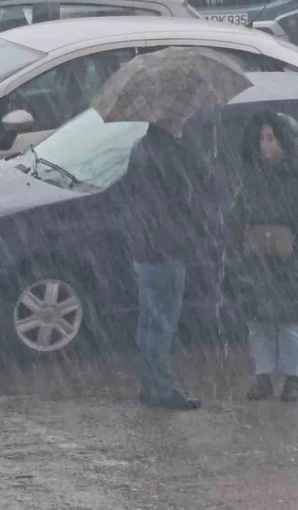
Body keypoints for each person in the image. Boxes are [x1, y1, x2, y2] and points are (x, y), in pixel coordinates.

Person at [123, 117, 220, 410]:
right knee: (164, 321)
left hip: (143, 245)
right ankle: (163, 388)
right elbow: (194, 188)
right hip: (168, 246)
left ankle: (149, 383)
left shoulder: (140, 149)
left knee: (149, 320)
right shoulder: (174, 153)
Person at [230, 111, 298, 402]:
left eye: (271, 138)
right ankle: (264, 377)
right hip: (257, 261)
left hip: (290, 262)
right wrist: (244, 242)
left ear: (284, 142)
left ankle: (292, 378)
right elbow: (238, 215)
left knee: (290, 322)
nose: (265, 145)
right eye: (261, 139)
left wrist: (295, 248)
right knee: (259, 323)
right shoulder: (250, 178)